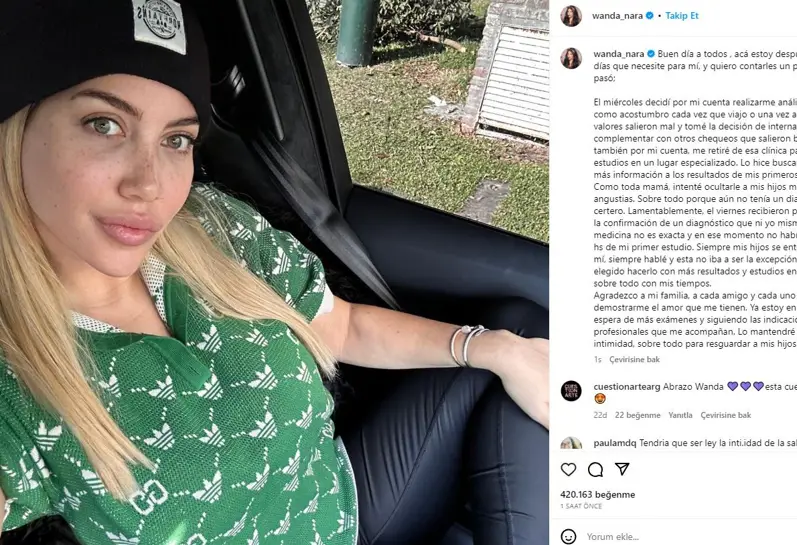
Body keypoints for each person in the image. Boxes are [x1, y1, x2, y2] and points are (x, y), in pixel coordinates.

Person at [0, 2, 549, 544]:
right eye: (104, 125)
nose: (149, 184)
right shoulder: (12, 366)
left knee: (520, 333)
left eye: (176, 140)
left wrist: (494, 348)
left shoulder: (215, 227)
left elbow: (342, 326)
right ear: (16, 127)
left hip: (345, 507)